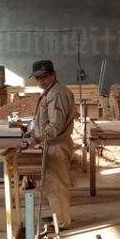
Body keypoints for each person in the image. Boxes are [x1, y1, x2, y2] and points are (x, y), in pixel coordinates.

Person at [25, 60, 77, 228]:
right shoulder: (49, 91)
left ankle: (62, 223)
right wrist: (33, 133)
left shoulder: (57, 94)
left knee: (58, 185)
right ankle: (58, 216)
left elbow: (56, 125)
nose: (40, 81)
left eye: (44, 77)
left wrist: (37, 138)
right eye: (37, 78)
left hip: (57, 145)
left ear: (53, 75)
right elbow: (45, 120)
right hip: (51, 144)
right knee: (51, 184)